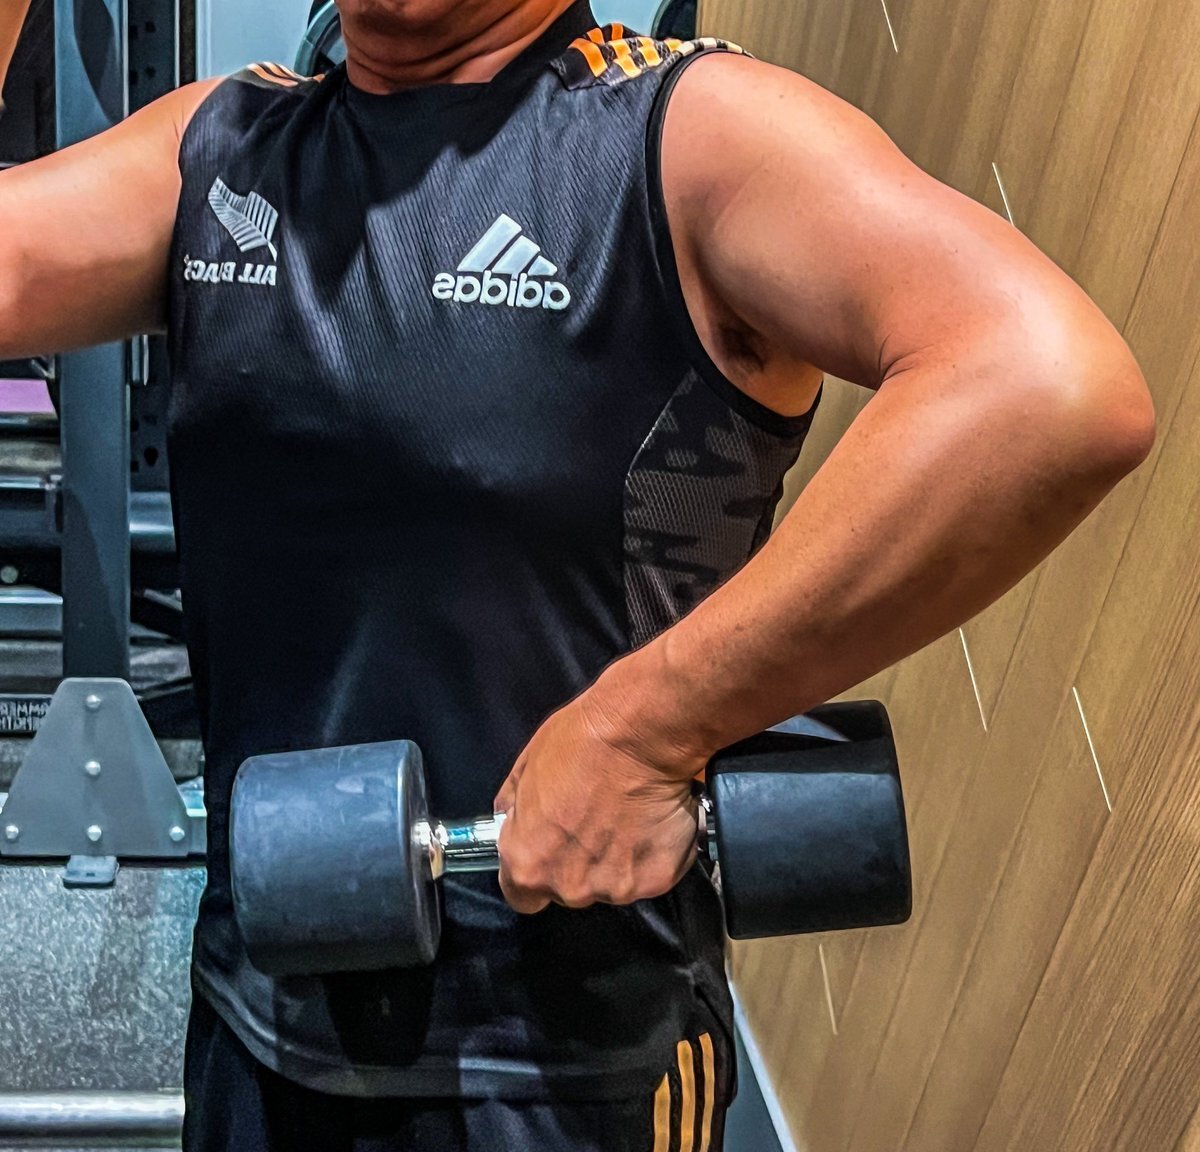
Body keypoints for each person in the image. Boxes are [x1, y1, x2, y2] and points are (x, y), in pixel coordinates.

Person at [0, 1, 1154, 1149]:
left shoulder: (686, 138)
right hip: (260, 1015)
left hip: (566, 1064)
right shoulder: (223, 150)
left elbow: (1044, 383)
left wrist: (646, 732)